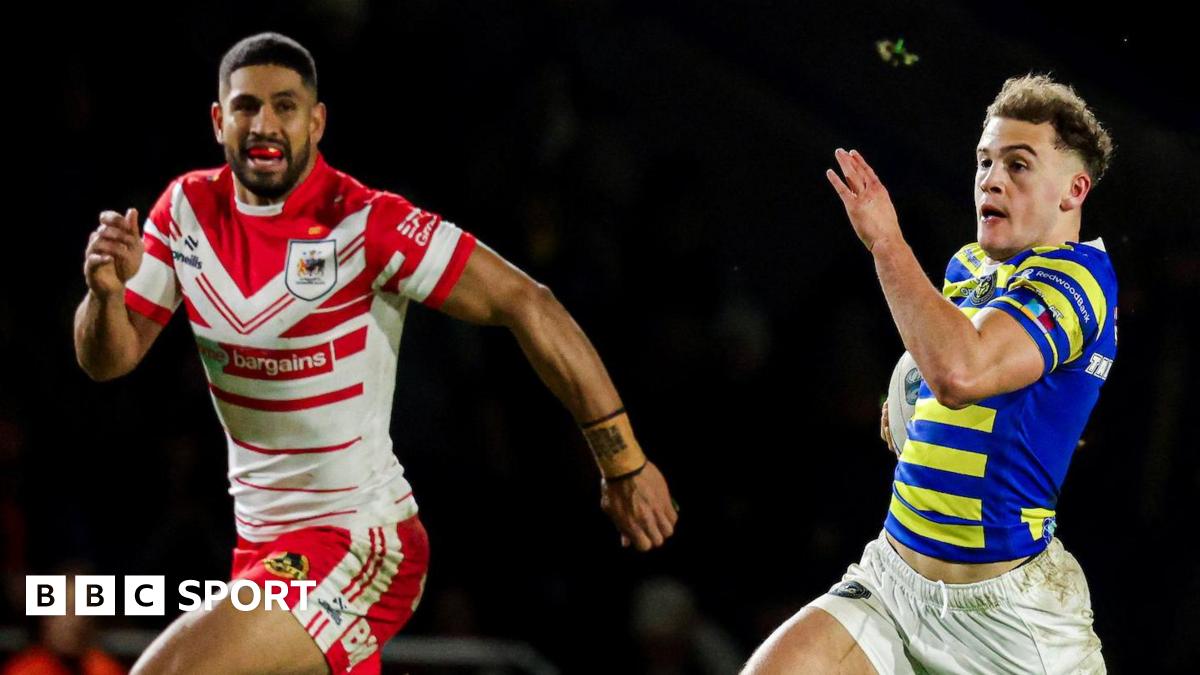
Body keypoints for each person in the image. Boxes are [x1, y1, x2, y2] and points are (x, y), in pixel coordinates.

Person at [72, 32, 677, 674]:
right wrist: (104, 296)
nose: (265, 123)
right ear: (220, 120)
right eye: (247, 107)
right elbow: (107, 360)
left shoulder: (366, 222)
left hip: (361, 542)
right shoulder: (186, 210)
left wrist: (624, 464)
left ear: (317, 121)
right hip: (263, 551)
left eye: (285, 105)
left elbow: (529, 303)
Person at [743, 74, 1116, 674]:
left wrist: (886, 242)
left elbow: (961, 372)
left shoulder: (1080, 284)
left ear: (1073, 190)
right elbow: (943, 360)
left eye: (1018, 165)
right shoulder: (968, 266)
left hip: (1010, 622)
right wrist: (906, 387)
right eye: (984, 161)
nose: (991, 180)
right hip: (892, 580)